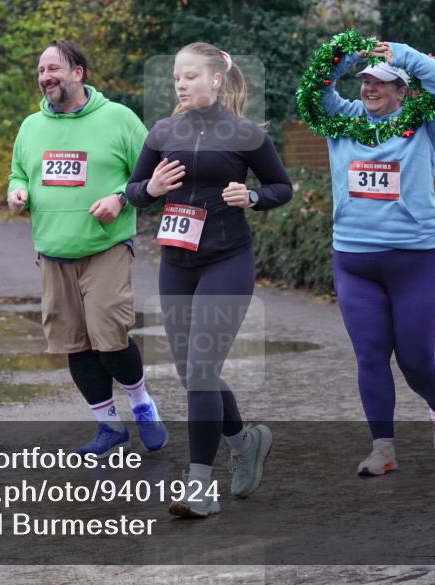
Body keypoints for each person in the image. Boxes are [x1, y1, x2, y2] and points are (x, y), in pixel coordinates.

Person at [126, 43, 293, 518]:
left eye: (191, 76)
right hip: (176, 263)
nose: (181, 83)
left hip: (227, 260)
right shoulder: (163, 131)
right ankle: (244, 442)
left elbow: (281, 187)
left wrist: (253, 196)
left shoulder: (244, 134)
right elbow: (136, 191)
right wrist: (151, 189)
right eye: (177, 76)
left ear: (216, 80)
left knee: (200, 370)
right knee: (191, 372)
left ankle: (199, 486)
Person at [8, 40, 168, 456]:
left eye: (54, 68)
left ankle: (141, 404)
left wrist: (120, 197)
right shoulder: (30, 127)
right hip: (53, 252)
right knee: (73, 343)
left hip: (105, 248)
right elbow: (19, 173)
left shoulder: (118, 119)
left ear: (78, 72)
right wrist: (18, 191)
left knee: (109, 336)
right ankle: (109, 427)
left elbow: (151, 174)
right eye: (41, 70)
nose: (45, 77)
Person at [320, 39, 435, 475]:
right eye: (365, 80)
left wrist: (398, 53)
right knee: (369, 355)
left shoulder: (425, 123)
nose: (369, 87)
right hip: (354, 259)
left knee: (414, 357)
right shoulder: (342, 121)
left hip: (417, 258)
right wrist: (349, 55)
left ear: (403, 90)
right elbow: (318, 91)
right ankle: (382, 449)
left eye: (381, 81)